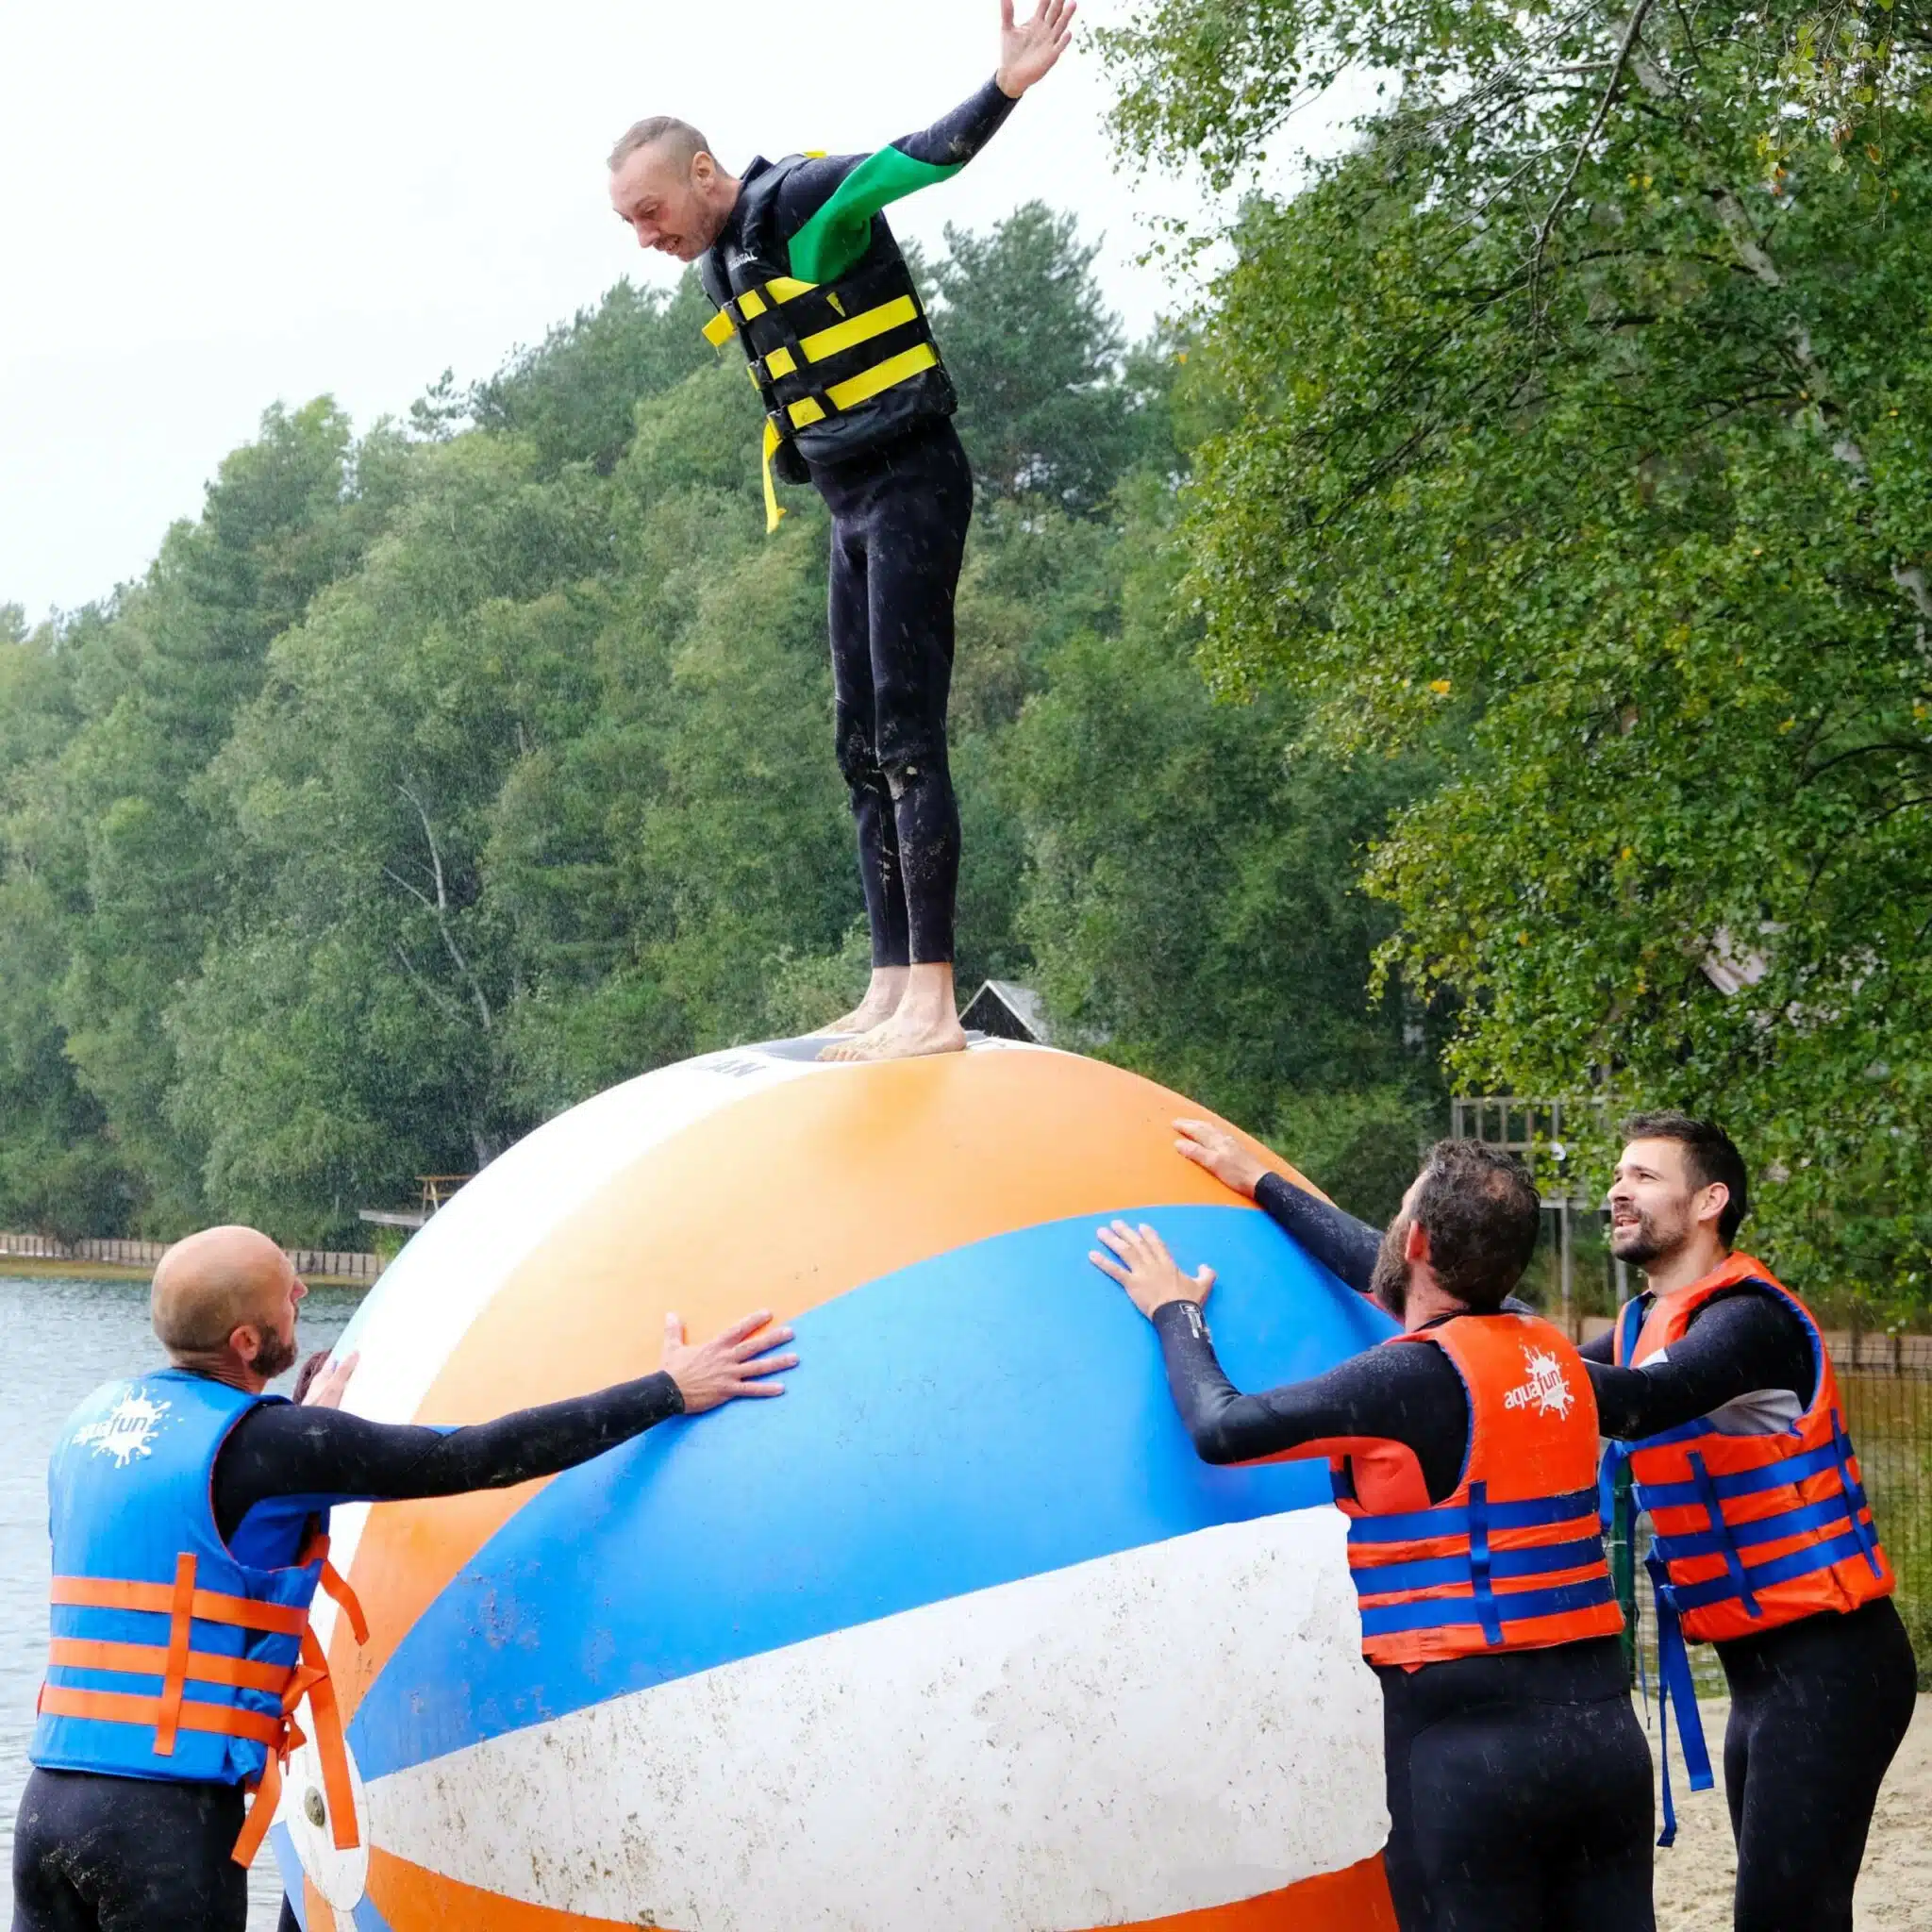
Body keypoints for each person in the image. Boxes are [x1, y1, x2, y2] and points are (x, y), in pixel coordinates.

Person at [12, 1224, 795, 1932]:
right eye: (287, 1291)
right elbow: (475, 1457)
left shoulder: (91, 1425)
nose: (302, 1291)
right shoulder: (272, 1447)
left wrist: (298, 1429)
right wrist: (668, 1390)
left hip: (48, 1806)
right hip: (160, 1828)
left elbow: (191, 1528)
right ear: (246, 1341)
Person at [607, 0, 1076, 1063]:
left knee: (907, 740)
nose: (646, 239)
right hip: (848, 504)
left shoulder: (800, 202)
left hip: (911, 483)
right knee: (857, 747)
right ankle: (889, 983)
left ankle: (934, 1005)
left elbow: (916, 160)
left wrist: (1003, 87)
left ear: (703, 172)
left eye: (650, 212)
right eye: (629, 224)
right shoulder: (725, 258)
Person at [1091, 1137, 1655, 1932]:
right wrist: (1264, 1183)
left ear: (1417, 1240)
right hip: (1604, 1743)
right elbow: (1390, 1273)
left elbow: (1223, 1427)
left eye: (1399, 1215)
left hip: (1472, 1760)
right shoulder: (1553, 1357)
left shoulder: (1402, 1380)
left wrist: (1174, 1311)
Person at [1586, 1113, 1917, 1931]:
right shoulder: (1637, 1326)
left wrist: (1499, 1364)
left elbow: (1638, 1401)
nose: (1618, 1191)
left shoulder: (1750, 1321)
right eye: (1618, 1175)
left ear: (1710, 1201)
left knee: (1783, 1916)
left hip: (1834, 1667)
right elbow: (1514, 1357)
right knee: (1788, 1913)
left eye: (1644, 1177)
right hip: (1759, 1680)